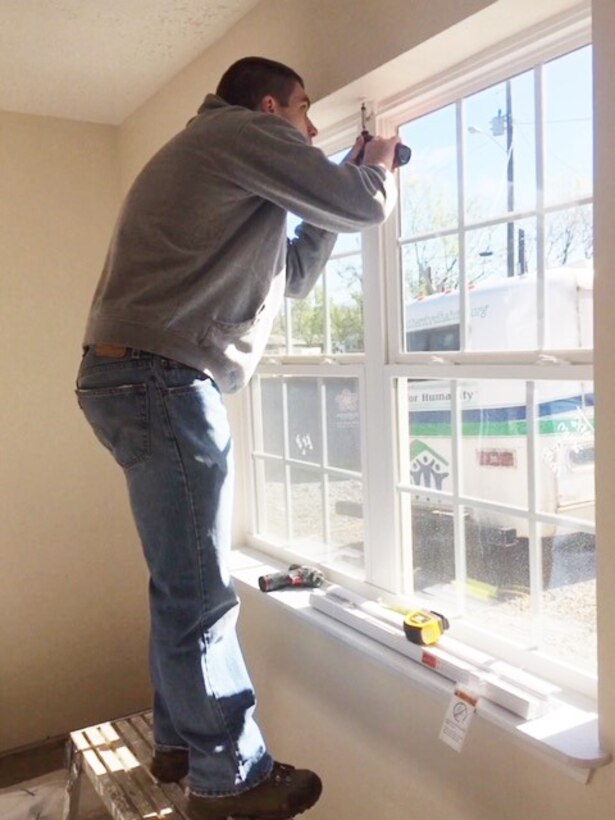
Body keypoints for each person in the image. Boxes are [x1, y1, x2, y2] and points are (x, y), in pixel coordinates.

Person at [76, 56, 400, 820]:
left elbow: (287, 275)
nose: (313, 128)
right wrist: (377, 164)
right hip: (161, 378)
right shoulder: (240, 133)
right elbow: (364, 207)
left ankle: (182, 743)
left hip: (135, 376)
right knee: (199, 590)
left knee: (177, 580)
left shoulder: (223, 159)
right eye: (304, 111)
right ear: (267, 106)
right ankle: (230, 780)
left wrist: (328, 202)